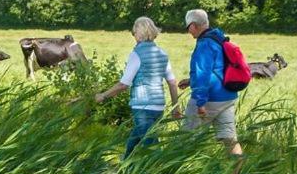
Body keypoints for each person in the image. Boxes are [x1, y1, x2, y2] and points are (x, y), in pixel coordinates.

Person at [95, 17, 182, 157]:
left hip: (143, 107)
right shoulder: (162, 53)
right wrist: (175, 107)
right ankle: (123, 172)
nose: (133, 35)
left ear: (139, 33)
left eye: (134, 32)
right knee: (133, 142)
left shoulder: (137, 54)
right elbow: (172, 82)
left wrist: (103, 96)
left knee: (151, 147)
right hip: (158, 107)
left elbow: (123, 84)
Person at [178, 9, 244, 159]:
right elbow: (217, 68)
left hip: (210, 99)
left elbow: (203, 74)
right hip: (227, 97)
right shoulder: (219, 38)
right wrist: (190, 81)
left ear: (194, 25)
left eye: (188, 27)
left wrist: (200, 102)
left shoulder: (204, 44)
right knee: (230, 139)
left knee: (184, 139)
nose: (188, 31)